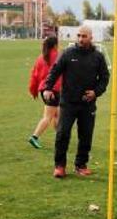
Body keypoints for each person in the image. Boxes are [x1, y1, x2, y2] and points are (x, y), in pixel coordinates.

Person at [43, 26, 110, 178]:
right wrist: (48, 87)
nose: (80, 39)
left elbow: (105, 78)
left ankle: (81, 165)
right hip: (68, 102)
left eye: (84, 36)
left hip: (87, 104)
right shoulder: (67, 53)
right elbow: (55, 71)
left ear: (91, 37)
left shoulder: (98, 56)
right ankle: (59, 166)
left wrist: (96, 92)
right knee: (62, 134)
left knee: (86, 135)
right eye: (79, 36)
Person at [27, 36, 62, 149]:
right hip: (53, 90)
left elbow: (34, 75)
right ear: (55, 45)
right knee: (48, 117)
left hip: (43, 90)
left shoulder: (41, 57)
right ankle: (34, 137)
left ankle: (60, 137)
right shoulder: (57, 56)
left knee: (57, 114)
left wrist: (34, 90)